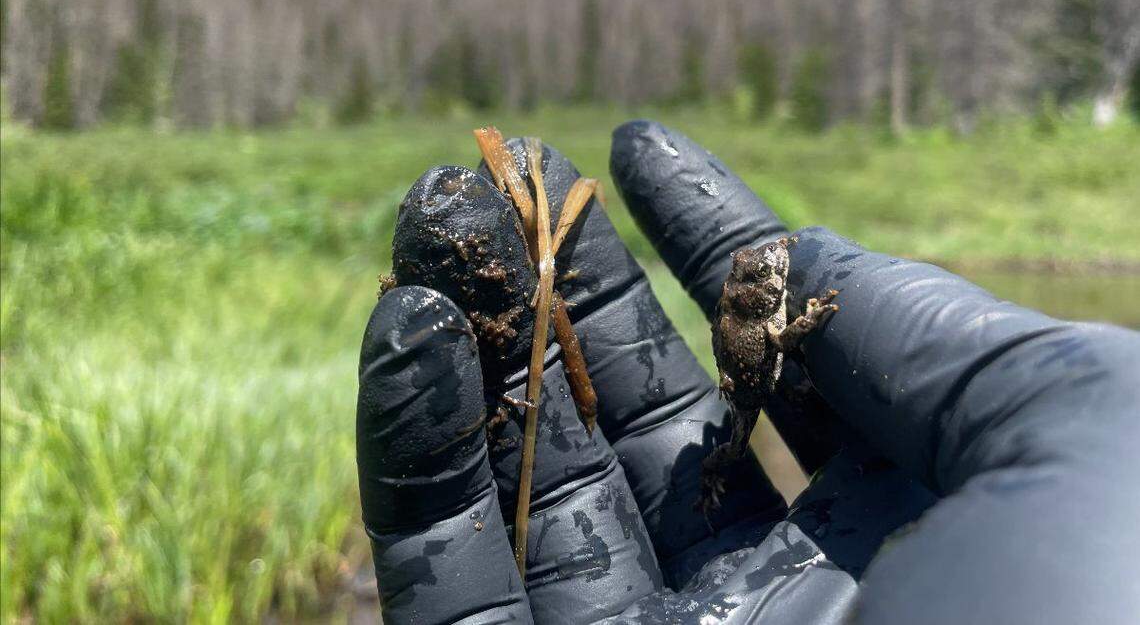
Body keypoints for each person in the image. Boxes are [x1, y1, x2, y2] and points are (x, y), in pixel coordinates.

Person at [356, 120, 1140, 624]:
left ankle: (715, 476)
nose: (765, 272)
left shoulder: (760, 302)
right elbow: (786, 324)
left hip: (757, 375)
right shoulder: (762, 307)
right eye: (760, 275)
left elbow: (780, 322)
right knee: (736, 431)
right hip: (751, 378)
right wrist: (815, 312)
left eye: (762, 274)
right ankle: (712, 478)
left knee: (739, 431)